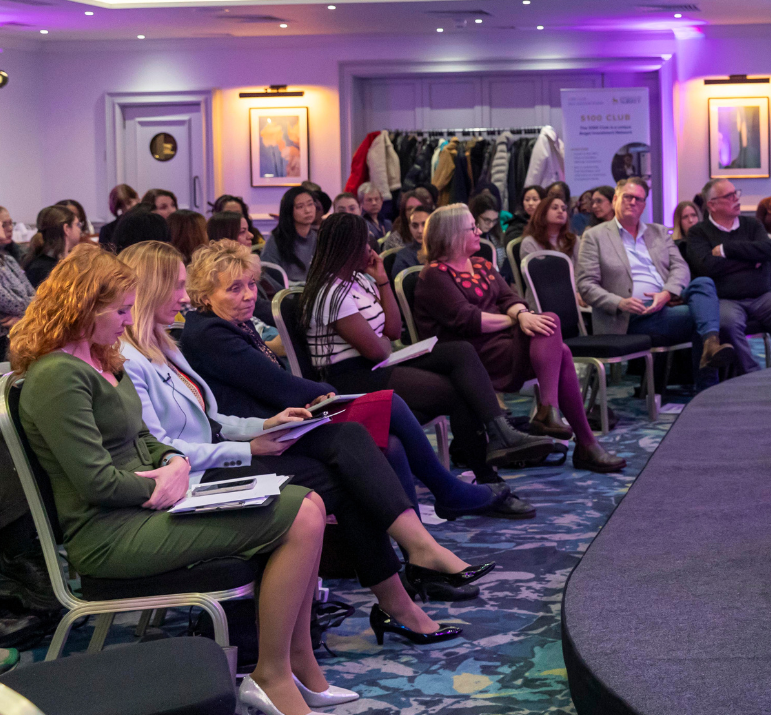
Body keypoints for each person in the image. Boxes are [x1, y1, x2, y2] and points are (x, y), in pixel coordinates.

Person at [8, 245, 334, 715]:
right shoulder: (58, 375)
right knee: (301, 513)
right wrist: (163, 484)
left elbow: (148, 438)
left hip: (146, 510)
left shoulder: (101, 359)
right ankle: (273, 672)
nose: (126, 321)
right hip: (110, 535)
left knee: (309, 503)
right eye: (119, 310)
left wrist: (176, 466)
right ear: (82, 307)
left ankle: (293, 662)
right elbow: (97, 483)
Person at [118, 241, 478, 644]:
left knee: (354, 445)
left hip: (224, 454)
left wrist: (265, 424)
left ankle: (408, 580)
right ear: (150, 289)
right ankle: (407, 583)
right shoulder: (135, 359)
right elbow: (165, 449)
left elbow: (211, 418)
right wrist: (250, 446)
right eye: (177, 287)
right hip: (200, 477)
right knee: (348, 461)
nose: (183, 297)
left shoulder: (163, 346)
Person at [301, 214, 550, 511]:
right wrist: (378, 343)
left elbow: (392, 332)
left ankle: (498, 435)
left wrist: (381, 278)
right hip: (350, 378)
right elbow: (377, 350)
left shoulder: (359, 280)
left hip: (377, 365)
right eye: (363, 242)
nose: (370, 248)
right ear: (348, 246)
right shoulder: (329, 292)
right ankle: (480, 478)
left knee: (459, 352)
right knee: (458, 391)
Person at [414, 204, 625, 473]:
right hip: (470, 357)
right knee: (558, 345)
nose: (479, 231)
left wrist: (523, 314)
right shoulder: (433, 275)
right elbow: (469, 319)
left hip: (502, 344)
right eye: (472, 228)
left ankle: (556, 418)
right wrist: (519, 319)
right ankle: (575, 435)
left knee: (553, 335)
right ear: (452, 234)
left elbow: (509, 299)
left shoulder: (481, 265)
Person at [576, 178, 731, 382]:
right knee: (709, 318)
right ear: (615, 199)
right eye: (628, 197)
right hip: (628, 316)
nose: (633, 202)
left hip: (664, 305)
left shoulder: (658, 232)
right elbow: (586, 285)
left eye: (639, 199)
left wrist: (667, 293)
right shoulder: (595, 237)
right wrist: (620, 302)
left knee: (703, 283)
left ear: (644, 205)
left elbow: (680, 267)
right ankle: (709, 384)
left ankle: (710, 348)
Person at [685, 179, 771, 376]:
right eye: (729, 196)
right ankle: (753, 376)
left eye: (736, 193)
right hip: (726, 299)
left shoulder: (752, 225)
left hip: (762, 296)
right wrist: (750, 260)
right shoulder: (698, 233)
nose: (736, 199)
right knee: (726, 324)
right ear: (712, 205)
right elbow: (706, 267)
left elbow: (768, 251)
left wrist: (726, 250)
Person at [261, 187, 319, 285]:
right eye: (300, 206)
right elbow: (269, 276)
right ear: (289, 210)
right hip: (288, 295)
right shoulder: (277, 240)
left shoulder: (318, 238)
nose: (308, 210)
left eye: (310, 204)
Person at [0, 208, 33, 357]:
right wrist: (29, 313)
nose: (9, 229)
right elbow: (13, 303)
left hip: (17, 335)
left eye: (9, 223)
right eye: (2, 224)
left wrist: (21, 319)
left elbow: (34, 295)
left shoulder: (9, 259)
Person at [22, 206, 81, 289]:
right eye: (77, 224)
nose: (80, 229)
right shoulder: (42, 270)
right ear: (66, 229)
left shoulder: (66, 260)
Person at [521, 192, 579, 263]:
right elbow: (533, 273)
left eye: (564, 209)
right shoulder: (530, 243)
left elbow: (581, 271)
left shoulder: (573, 240)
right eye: (555, 208)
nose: (560, 211)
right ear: (542, 213)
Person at [389, 204, 431, 281]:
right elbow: (403, 287)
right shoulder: (404, 255)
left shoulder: (443, 251)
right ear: (409, 227)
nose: (420, 231)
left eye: (424, 224)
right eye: (415, 226)